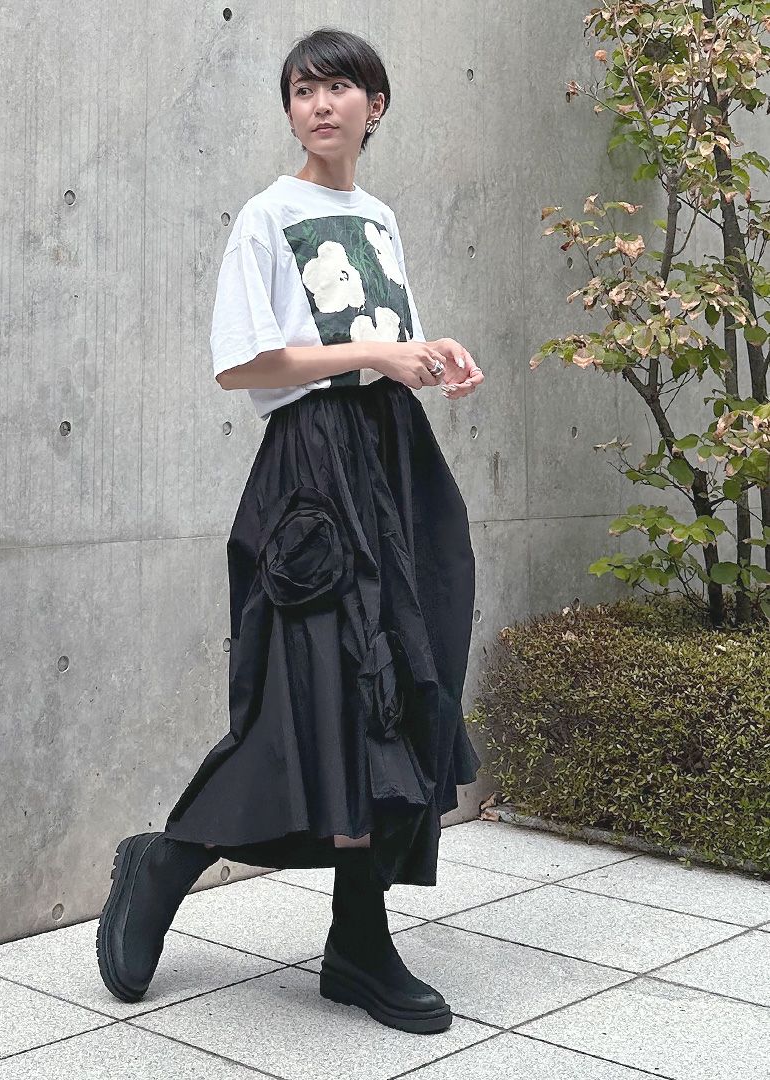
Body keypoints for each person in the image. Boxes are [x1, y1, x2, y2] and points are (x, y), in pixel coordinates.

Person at [96, 26, 485, 1035]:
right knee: (315, 689)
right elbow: (244, 363)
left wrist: (427, 350)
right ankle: (168, 860)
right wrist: (370, 355)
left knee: (402, 687)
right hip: (312, 471)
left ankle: (357, 941)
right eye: (302, 91)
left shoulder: (379, 218)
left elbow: (381, 344)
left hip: (390, 461)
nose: (318, 104)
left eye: (337, 87)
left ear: (374, 106)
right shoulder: (269, 216)